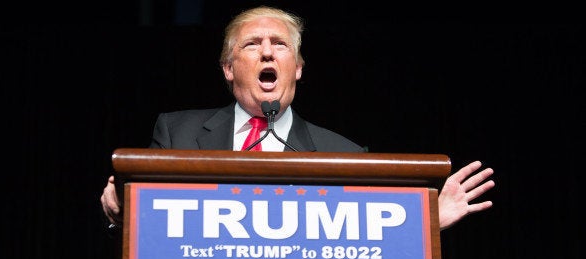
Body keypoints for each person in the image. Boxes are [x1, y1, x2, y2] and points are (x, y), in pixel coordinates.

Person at [100, 5, 495, 232]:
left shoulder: (344, 153)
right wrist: (123, 215)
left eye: (281, 45)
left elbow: (364, 237)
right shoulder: (177, 133)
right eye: (253, 44)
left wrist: (425, 226)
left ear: (299, 68)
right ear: (228, 68)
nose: (268, 53)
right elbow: (150, 230)